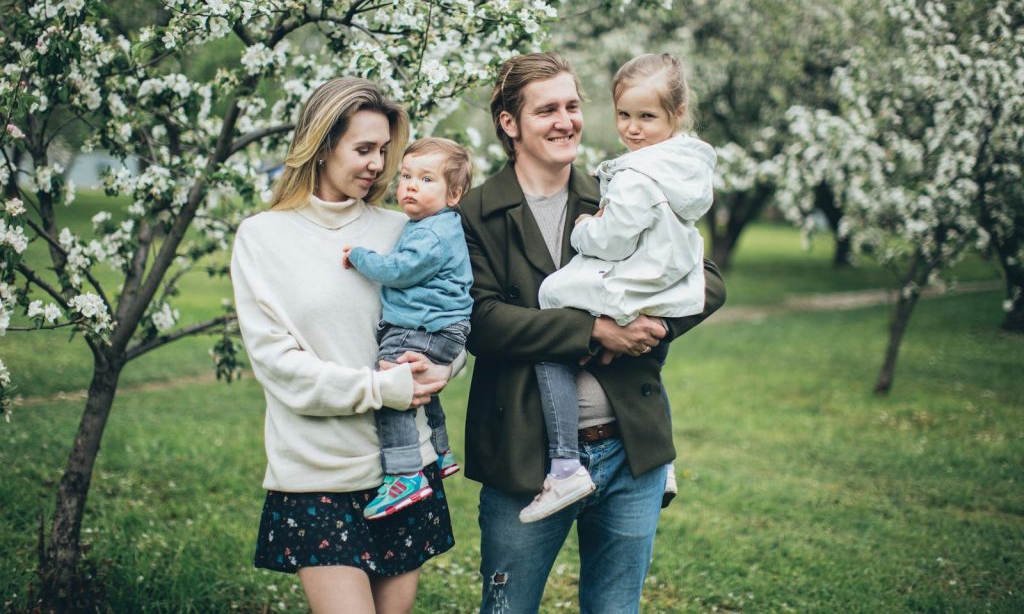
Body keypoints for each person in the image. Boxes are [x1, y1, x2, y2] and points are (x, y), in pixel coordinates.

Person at [459, 52, 726, 612]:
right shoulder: (478, 211)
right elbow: (480, 320)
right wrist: (594, 331)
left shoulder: (621, 187)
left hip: (629, 450)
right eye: (547, 110)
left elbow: (708, 281)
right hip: (526, 457)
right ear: (510, 123)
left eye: (573, 106)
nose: (566, 121)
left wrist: (650, 324)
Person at [231, 78, 460, 613]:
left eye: (384, 150)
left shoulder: (406, 230)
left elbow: (447, 319)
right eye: (363, 149)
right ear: (321, 144)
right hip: (319, 474)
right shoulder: (264, 237)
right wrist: (384, 389)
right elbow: (279, 367)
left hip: (404, 469)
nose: (378, 164)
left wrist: (445, 368)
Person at [521, 52, 715, 522]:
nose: (631, 128)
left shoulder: (633, 174)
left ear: (676, 115)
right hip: (669, 283)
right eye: (624, 115)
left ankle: (564, 464)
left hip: (634, 283)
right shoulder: (687, 166)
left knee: (551, 295)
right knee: (651, 357)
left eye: (646, 117)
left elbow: (610, 238)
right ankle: (659, 454)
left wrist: (584, 229)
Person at [341, 137, 474, 520]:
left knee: (393, 392)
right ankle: (441, 449)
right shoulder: (437, 224)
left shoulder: (431, 234)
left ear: (454, 194)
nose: (411, 185)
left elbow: (398, 271)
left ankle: (404, 474)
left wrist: (360, 256)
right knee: (422, 390)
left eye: (427, 179)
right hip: (440, 330)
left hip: (422, 327)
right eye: (406, 175)